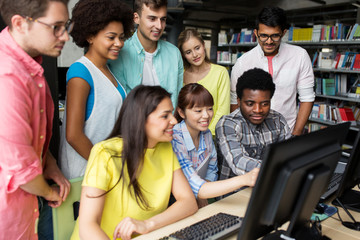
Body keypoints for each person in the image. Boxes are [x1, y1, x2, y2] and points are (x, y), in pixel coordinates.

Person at [71, 85, 197, 240]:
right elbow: (88, 226)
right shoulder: (105, 153)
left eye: (171, 113)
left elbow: (189, 202)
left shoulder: (165, 148)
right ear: (141, 119)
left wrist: (147, 224)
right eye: (165, 116)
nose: (174, 121)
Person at [0, 0, 72, 239]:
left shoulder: (29, 64)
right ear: (20, 24)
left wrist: (48, 160)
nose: (65, 37)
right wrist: (50, 193)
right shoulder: (8, 76)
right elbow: (23, 173)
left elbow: (28, 135)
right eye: (55, 27)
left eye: (66, 26)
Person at [58, 0, 133, 180]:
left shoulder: (109, 72)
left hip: (107, 172)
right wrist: (106, 166)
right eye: (111, 37)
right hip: (86, 174)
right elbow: (73, 135)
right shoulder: (80, 71)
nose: (119, 43)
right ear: (90, 36)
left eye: (121, 37)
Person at [230, 6, 315, 136]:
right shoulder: (243, 62)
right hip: (253, 136)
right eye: (263, 36)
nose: (269, 42)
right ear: (256, 33)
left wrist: (296, 134)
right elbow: (235, 102)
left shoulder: (300, 56)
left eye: (275, 36)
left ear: (284, 32)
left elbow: (307, 98)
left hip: (288, 133)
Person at [172, 83, 259, 207]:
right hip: (175, 204)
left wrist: (204, 193)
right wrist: (245, 179)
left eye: (209, 108)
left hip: (201, 199)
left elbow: (212, 170)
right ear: (181, 112)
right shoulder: (175, 138)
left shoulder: (206, 133)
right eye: (198, 110)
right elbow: (195, 186)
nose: (206, 115)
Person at [216, 68, 291, 181]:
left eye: (265, 104)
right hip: (234, 193)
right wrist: (280, 168)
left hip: (269, 186)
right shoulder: (227, 124)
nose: (258, 110)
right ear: (239, 100)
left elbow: (289, 156)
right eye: (250, 104)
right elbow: (238, 162)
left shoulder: (278, 121)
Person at [108, 0, 183, 107]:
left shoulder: (174, 54)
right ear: (136, 18)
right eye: (152, 19)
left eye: (163, 19)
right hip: (132, 123)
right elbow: (118, 103)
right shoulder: (120, 53)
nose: (159, 26)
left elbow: (179, 99)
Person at [177, 29, 230, 135]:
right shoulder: (179, 75)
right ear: (183, 55)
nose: (195, 55)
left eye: (197, 48)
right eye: (188, 52)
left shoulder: (220, 73)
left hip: (212, 137)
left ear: (203, 45)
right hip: (183, 137)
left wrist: (205, 136)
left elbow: (223, 111)